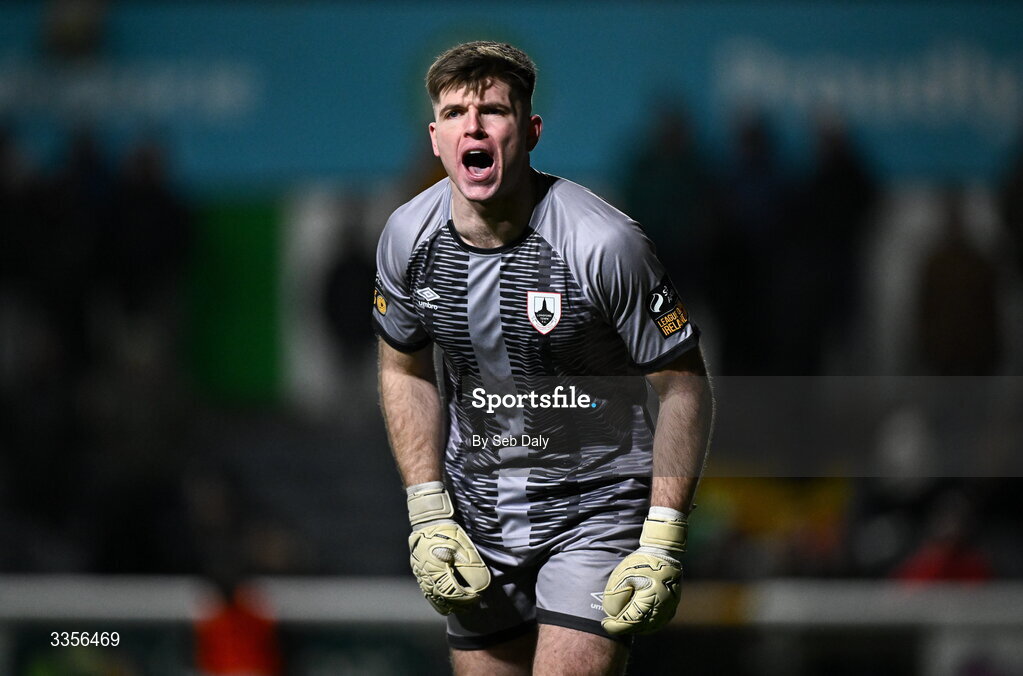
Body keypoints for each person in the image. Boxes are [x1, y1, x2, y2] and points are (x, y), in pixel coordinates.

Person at [373, 41, 713, 675]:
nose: (472, 126)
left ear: (529, 132)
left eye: (493, 111)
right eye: (454, 113)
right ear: (435, 138)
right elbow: (402, 368)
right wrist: (427, 511)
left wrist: (664, 534)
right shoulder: (405, 239)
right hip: (474, 521)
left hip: (594, 511)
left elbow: (684, 385)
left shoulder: (603, 243)